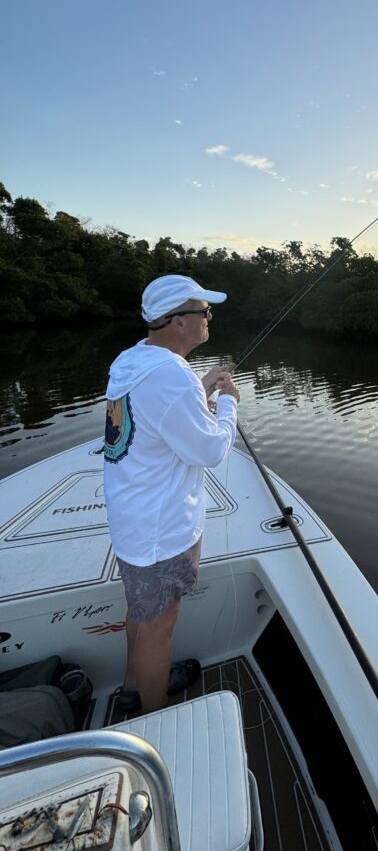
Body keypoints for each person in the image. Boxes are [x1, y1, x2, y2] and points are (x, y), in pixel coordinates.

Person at [103, 274, 240, 714]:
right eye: (204, 311)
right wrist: (228, 401)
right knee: (159, 629)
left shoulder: (132, 361)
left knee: (141, 618)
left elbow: (157, 417)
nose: (209, 318)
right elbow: (211, 449)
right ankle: (153, 714)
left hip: (135, 522)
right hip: (162, 531)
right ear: (178, 322)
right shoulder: (170, 376)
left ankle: (132, 687)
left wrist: (200, 387)